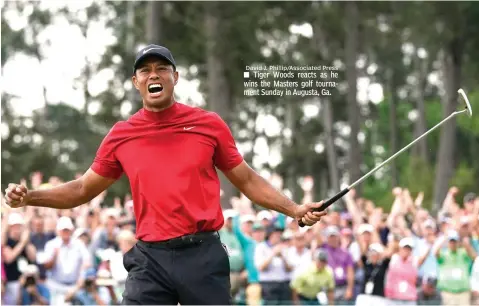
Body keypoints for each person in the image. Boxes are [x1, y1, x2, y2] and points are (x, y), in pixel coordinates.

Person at [3, 44, 326, 305]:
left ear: (175, 77)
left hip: (202, 255)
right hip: (150, 260)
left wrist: (295, 210)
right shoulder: (122, 134)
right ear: (136, 82)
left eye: (161, 69)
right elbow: (83, 189)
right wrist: (31, 197)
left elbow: (247, 180)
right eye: (145, 70)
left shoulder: (208, 124)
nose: (153, 75)